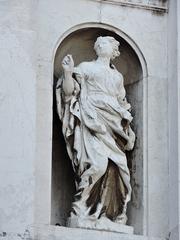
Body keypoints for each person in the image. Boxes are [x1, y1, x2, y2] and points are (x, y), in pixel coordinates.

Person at [56, 36, 135, 228]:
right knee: (97, 165)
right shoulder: (84, 67)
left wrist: (128, 128)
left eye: (105, 42)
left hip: (114, 124)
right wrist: (67, 74)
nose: (100, 44)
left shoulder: (117, 77)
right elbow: (69, 94)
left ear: (114, 50)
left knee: (117, 167)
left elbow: (122, 103)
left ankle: (109, 214)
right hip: (91, 118)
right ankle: (80, 209)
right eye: (97, 42)